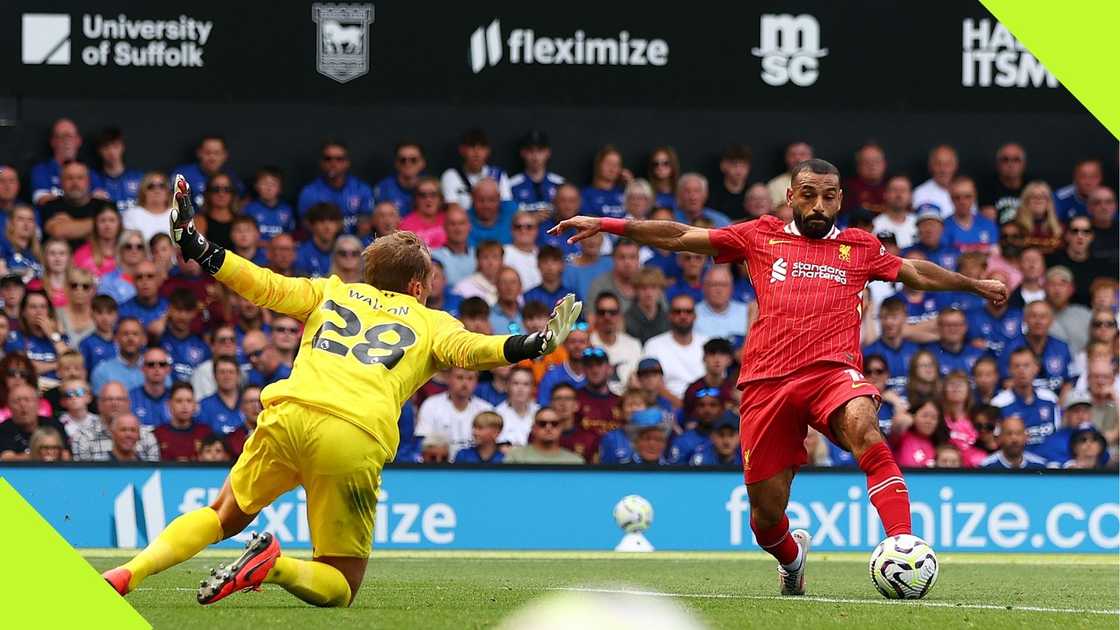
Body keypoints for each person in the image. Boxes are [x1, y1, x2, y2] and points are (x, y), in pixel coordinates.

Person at [104, 175, 582, 606]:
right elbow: (475, 349)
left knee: (222, 514)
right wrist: (535, 343)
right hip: (353, 433)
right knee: (341, 583)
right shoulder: (432, 322)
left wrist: (198, 245)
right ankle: (275, 565)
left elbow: (262, 284)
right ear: (417, 286)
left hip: (289, 413)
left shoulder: (330, 291)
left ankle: (130, 572)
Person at [551, 157, 1007, 595]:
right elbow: (681, 235)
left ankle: (902, 541)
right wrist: (608, 224)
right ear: (790, 197)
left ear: (840, 199)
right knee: (765, 519)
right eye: (808, 195)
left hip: (832, 374)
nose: (818, 206)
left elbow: (913, 272)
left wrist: (974, 285)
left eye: (828, 197)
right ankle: (792, 560)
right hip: (767, 384)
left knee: (865, 427)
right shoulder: (760, 235)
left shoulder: (860, 247)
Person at [992, 347, 1062, 451]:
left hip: (1050, 459)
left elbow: (1058, 434)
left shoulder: (1050, 398)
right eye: (1017, 366)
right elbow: (996, 441)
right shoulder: (998, 404)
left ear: (1036, 368)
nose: (1021, 371)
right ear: (1010, 370)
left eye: (1026, 365)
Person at [297, 140, 373, 235]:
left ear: (347, 162)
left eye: (339, 159)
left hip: (355, 241)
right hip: (323, 241)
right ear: (321, 163)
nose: (333, 163)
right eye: (328, 159)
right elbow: (306, 225)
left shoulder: (361, 189)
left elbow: (366, 222)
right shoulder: (309, 192)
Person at [1001, 301, 1075, 395]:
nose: (1038, 321)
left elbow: (1068, 383)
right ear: (1025, 319)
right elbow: (1006, 382)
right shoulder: (1011, 347)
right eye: (1033, 316)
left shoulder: (1062, 347)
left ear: (1051, 320)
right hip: (1021, 400)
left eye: (1043, 317)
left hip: (1056, 400)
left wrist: (1059, 403)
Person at [642, 294, 707, 399]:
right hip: (665, 403)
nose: (683, 316)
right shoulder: (653, 345)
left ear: (695, 316)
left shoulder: (707, 343)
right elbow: (650, 383)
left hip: (704, 403)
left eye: (688, 311)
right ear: (669, 316)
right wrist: (678, 403)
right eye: (677, 311)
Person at [440, 129, 512, 209]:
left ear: (488, 151)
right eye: (471, 147)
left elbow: (507, 206)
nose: (476, 153)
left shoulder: (498, 174)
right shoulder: (451, 175)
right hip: (464, 217)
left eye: (481, 148)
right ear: (462, 150)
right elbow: (453, 209)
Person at [1046, 215, 1109, 306]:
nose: (1080, 236)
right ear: (1067, 235)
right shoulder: (1052, 260)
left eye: (1086, 231)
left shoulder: (1101, 265)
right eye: (1075, 231)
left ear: (1091, 236)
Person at [0, 384, 70, 460]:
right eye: (16, 401)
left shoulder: (54, 425)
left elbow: (65, 456)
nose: (23, 405)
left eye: (27, 400)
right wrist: (41, 456)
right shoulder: (3, 429)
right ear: (9, 406)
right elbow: (7, 459)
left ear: (38, 404)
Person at [172, 135, 243, 209]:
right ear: (199, 153)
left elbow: (242, 200)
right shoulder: (183, 174)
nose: (212, 158)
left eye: (217, 153)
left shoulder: (232, 177)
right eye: (208, 153)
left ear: (225, 155)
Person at [588, 292, 641, 390]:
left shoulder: (634, 345)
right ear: (595, 316)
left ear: (620, 315)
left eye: (612, 312)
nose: (607, 317)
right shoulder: (587, 344)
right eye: (602, 312)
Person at [159, 288, 211, 382]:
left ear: (194, 313)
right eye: (178, 310)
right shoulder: (158, 340)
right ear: (170, 310)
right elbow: (155, 331)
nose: (183, 316)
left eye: (187, 311)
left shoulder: (202, 347)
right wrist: (165, 316)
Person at [503, 407, 584, 464]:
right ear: (533, 428)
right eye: (542, 424)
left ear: (560, 428)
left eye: (554, 424)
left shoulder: (575, 462)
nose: (548, 428)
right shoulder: (516, 457)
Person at [154, 382, 212, 461]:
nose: (184, 406)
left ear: (195, 405)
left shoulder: (205, 433)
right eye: (179, 401)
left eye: (189, 401)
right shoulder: (158, 434)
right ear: (169, 404)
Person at [30, 119, 82, 206]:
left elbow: (100, 199)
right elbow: (43, 201)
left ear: (79, 141)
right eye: (62, 137)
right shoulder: (41, 171)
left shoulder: (88, 172)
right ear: (53, 142)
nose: (66, 141)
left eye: (70, 136)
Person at [91, 127, 144, 212]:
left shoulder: (139, 178)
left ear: (123, 147)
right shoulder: (92, 179)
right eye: (106, 147)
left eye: (115, 146)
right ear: (99, 150)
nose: (111, 152)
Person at [510, 130, 564, 214]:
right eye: (530, 151)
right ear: (522, 153)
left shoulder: (560, 184)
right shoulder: (511, 185)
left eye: (540, 151)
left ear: (548, 152)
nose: (535, 157)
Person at [681, 338, 736, 420]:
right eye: (712, 354)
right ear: (704, 358)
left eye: (722, 354)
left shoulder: (734, 391)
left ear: (729, 360)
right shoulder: (693, 390)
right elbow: (687, 419)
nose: (717, 359)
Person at [694, 265, 749, 343]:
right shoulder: (692, 314)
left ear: (731, 287)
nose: (719, 290)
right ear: (704, 287)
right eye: (714, 285)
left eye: (723, 285)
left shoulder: (746, 313)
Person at [889, 398, 950, 468]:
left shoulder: (940, 444)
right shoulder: (902, 436)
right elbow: (900, 422)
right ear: (913, 416)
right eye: (925, 416)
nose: (929, 421)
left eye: (934, 418)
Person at [242, 167, 295, 241]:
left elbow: (290, 235)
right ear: (256, 186)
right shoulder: (248, 209)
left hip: (279, 247)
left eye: (273, 184)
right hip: (255, 247)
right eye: (264, 183)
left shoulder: (287, 210)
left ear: (280, 188)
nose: (268, 188)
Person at [980, 142, 1029, 224]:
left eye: (1016, 160)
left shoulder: (1032, 187)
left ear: (1024, 164)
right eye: (1005, 160)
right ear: (997, 164)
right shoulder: (986, 189)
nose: (1011, 164)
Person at [373, 140, 426, 215]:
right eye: (402, 160)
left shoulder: (432, 187)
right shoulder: (383, 188)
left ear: (422, 163)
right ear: (396, 163)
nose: (408, 164)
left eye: (413, 160)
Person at [74, 204, 123, 279]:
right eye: (102, 221)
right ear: (95, 224)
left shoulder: (128, 251)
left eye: (112, 220)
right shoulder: (82, 254)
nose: (107, 225)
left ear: (119, 223)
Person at [980, 415, 1048, 469]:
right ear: (1000, 438)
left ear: (1026, 437)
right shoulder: (986, 467)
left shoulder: (1039, 466)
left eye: (1018, 433)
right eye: (1009, 433)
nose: (1014, 439)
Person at [1013, 181, 1063, 254]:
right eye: (1034, 196)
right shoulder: (1015, 227)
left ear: (1049, 202)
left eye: (1043, 196)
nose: (1038, 200)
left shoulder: (1060, 228)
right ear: (1026, 201)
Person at [581, 145, 630, 219]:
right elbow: (590, 222)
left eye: (617, 165)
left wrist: (631, 186)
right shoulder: (586, 194)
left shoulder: (625, 192)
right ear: (598, 164)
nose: (612, 168)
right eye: (608, 163)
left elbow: (638, 215)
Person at [431, 206, 475, 287]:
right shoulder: (434, 257)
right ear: (444, 227)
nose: (458, 229)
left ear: (469, 226)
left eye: (461, 223)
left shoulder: (478, 255)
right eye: (452, 224)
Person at [129, 347, 173, 426]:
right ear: (142, 368)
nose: (157, 368)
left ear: (168, 369)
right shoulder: (130, 398)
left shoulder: (175, 398)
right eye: (151, 364)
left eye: (162, 364)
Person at [494, 367, 538, 446]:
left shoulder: (539, 413)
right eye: (516, 383)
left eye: (526, 384)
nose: (520, 389)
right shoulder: (497, 414)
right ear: (507, 386)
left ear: (533, 388)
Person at [911, 144, 959, 217]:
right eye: (938, 164)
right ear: (930, 166)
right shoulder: (920, 193)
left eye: (947, 164)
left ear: (955, 166)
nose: (943, 169)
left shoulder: (965, 191)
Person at [399, 177, 447, 249]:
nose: (428, 199)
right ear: (416, 199)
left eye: (433, 194)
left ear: (440, 198)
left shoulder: (449, 220)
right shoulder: (406, 225)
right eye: (422, 195)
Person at [625, 267, 669, 345]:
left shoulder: (668, 319)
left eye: (653, 287)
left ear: (661, 291)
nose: (648, 293)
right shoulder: (626, 319)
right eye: (643, 288)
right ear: (636, 290)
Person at [840, 142, 888, 214]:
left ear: (884, 164)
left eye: (876, 161)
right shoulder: (848, 189)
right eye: (866, 162)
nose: (872, 166)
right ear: (858, 166)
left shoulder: (893, 185)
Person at [871, 175, 917, 249]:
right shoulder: (875, 225)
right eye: (894, 190)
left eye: (903, 190)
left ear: (910, 196)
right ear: (885, 194)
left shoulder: (918, 224)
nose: (899, 195)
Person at [708, 145, 752, 220]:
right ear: (723, 166)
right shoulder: (712, 193)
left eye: (743, 166)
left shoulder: (752, 192)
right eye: (734, 165)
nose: (739, 171)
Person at [765, 141, 812, 209]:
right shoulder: (775, 185)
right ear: (786, 158)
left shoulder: (823, 182)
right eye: (792, 155)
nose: (797, 158)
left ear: (811, 157)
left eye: (802, 154)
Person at [1087, 186, 1118, 263]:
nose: (1104, 207)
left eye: (1109, 202)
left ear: (1116, 206)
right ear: (1089, 207)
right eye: (1097, 203)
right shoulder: (1080, 231)